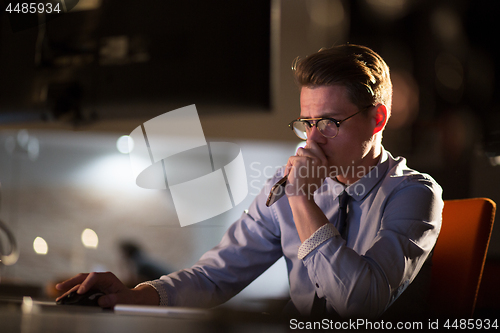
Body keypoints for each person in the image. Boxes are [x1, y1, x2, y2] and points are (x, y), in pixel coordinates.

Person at [56, 44, 443, 319]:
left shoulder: (414, 194)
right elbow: (216, 275)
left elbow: (360, 306)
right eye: (307, 123)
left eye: (329, 122)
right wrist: (136, 295)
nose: (312, 139)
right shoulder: (293, 183)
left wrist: (301, 200)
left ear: (377, 119)